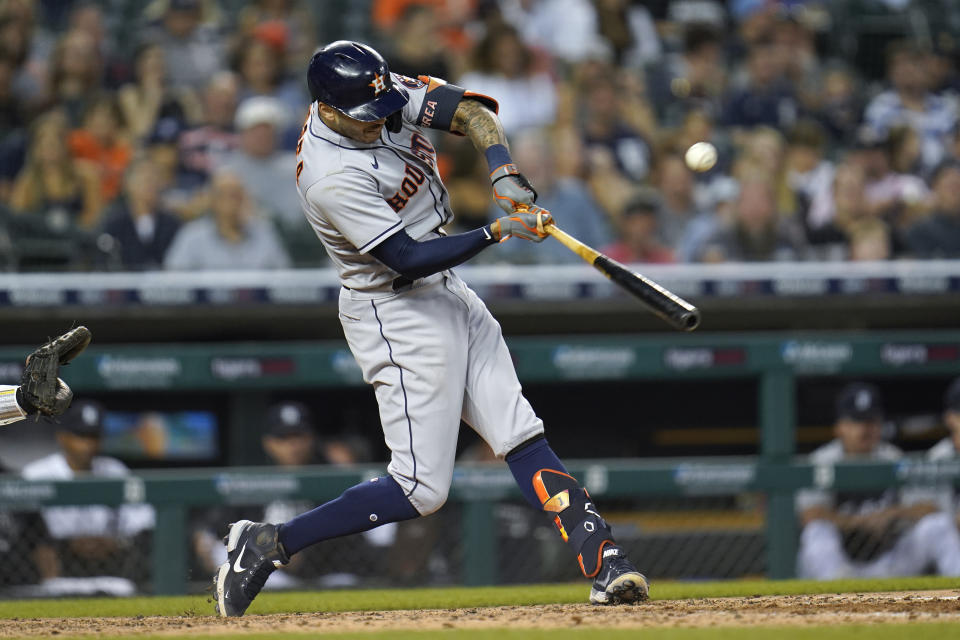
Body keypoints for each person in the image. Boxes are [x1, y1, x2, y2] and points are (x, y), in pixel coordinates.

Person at [213, 40, 648, 618]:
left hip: (447, 292)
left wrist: (504, 172)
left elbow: (472, 112)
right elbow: (407, 258)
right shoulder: (328, 174)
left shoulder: (379, 94)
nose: (380, 122)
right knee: (421, 490)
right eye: (364, 118)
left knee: (518, 432)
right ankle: (269, 544)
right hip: (394, 311)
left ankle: (605, 562)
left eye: (381, 107)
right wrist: (498, 232)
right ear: (330, 109)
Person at [795, 383, 960, 579]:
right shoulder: (822, 460)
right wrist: (861, 522)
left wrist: (891, 514)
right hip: (841, 562)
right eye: (857, 421)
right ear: (839, 427)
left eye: (872, 421)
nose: (866, 429)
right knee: (817, 532)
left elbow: (928, 508)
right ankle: (836, 597)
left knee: (937, 525)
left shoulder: (893, 457)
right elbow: (810, 515)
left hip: (890, 561)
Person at [22, 400, 155, 595]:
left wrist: (117, 541)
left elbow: (144, 519)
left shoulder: (115, 471)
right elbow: (28, 530)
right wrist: (69, 542)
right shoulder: (36, 474)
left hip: (111, 560)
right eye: (81, 436)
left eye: (93, 436)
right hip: (59, 559)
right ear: (62, 437)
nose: (88, 445)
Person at [163, 169, 291, 270]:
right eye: (225, 194)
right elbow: (174, 283)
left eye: (237, 195)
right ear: (212, 200)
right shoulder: (192, 236)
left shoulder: (264, 233)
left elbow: (284, 281)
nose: (233, 201)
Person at [100, 158, 181, 270]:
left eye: (154, 178)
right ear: (127, 184)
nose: (150, 184)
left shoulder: (172, 225)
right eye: (144, 179)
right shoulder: (113, 225)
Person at [905, 161, 960, 258]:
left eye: (957, 186)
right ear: (935, 187)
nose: (955, 193)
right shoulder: (919, 230)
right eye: (950, 187)